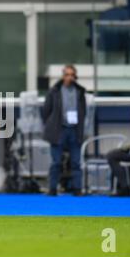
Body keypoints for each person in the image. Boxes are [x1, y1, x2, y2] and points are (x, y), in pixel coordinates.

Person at [41, 65, 86, 196]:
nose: (69, 77)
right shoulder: (54, 91)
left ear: (75, 77)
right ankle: (52, 189)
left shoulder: (80, 92)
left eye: (72, 75)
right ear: (63, 76)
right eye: (67, 74)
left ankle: (78, 189)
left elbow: (84, 111)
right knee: (56, 162)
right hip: (58, 130)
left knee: (76, 162)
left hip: (74, 130)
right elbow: (45, 111)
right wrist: (51, 124)